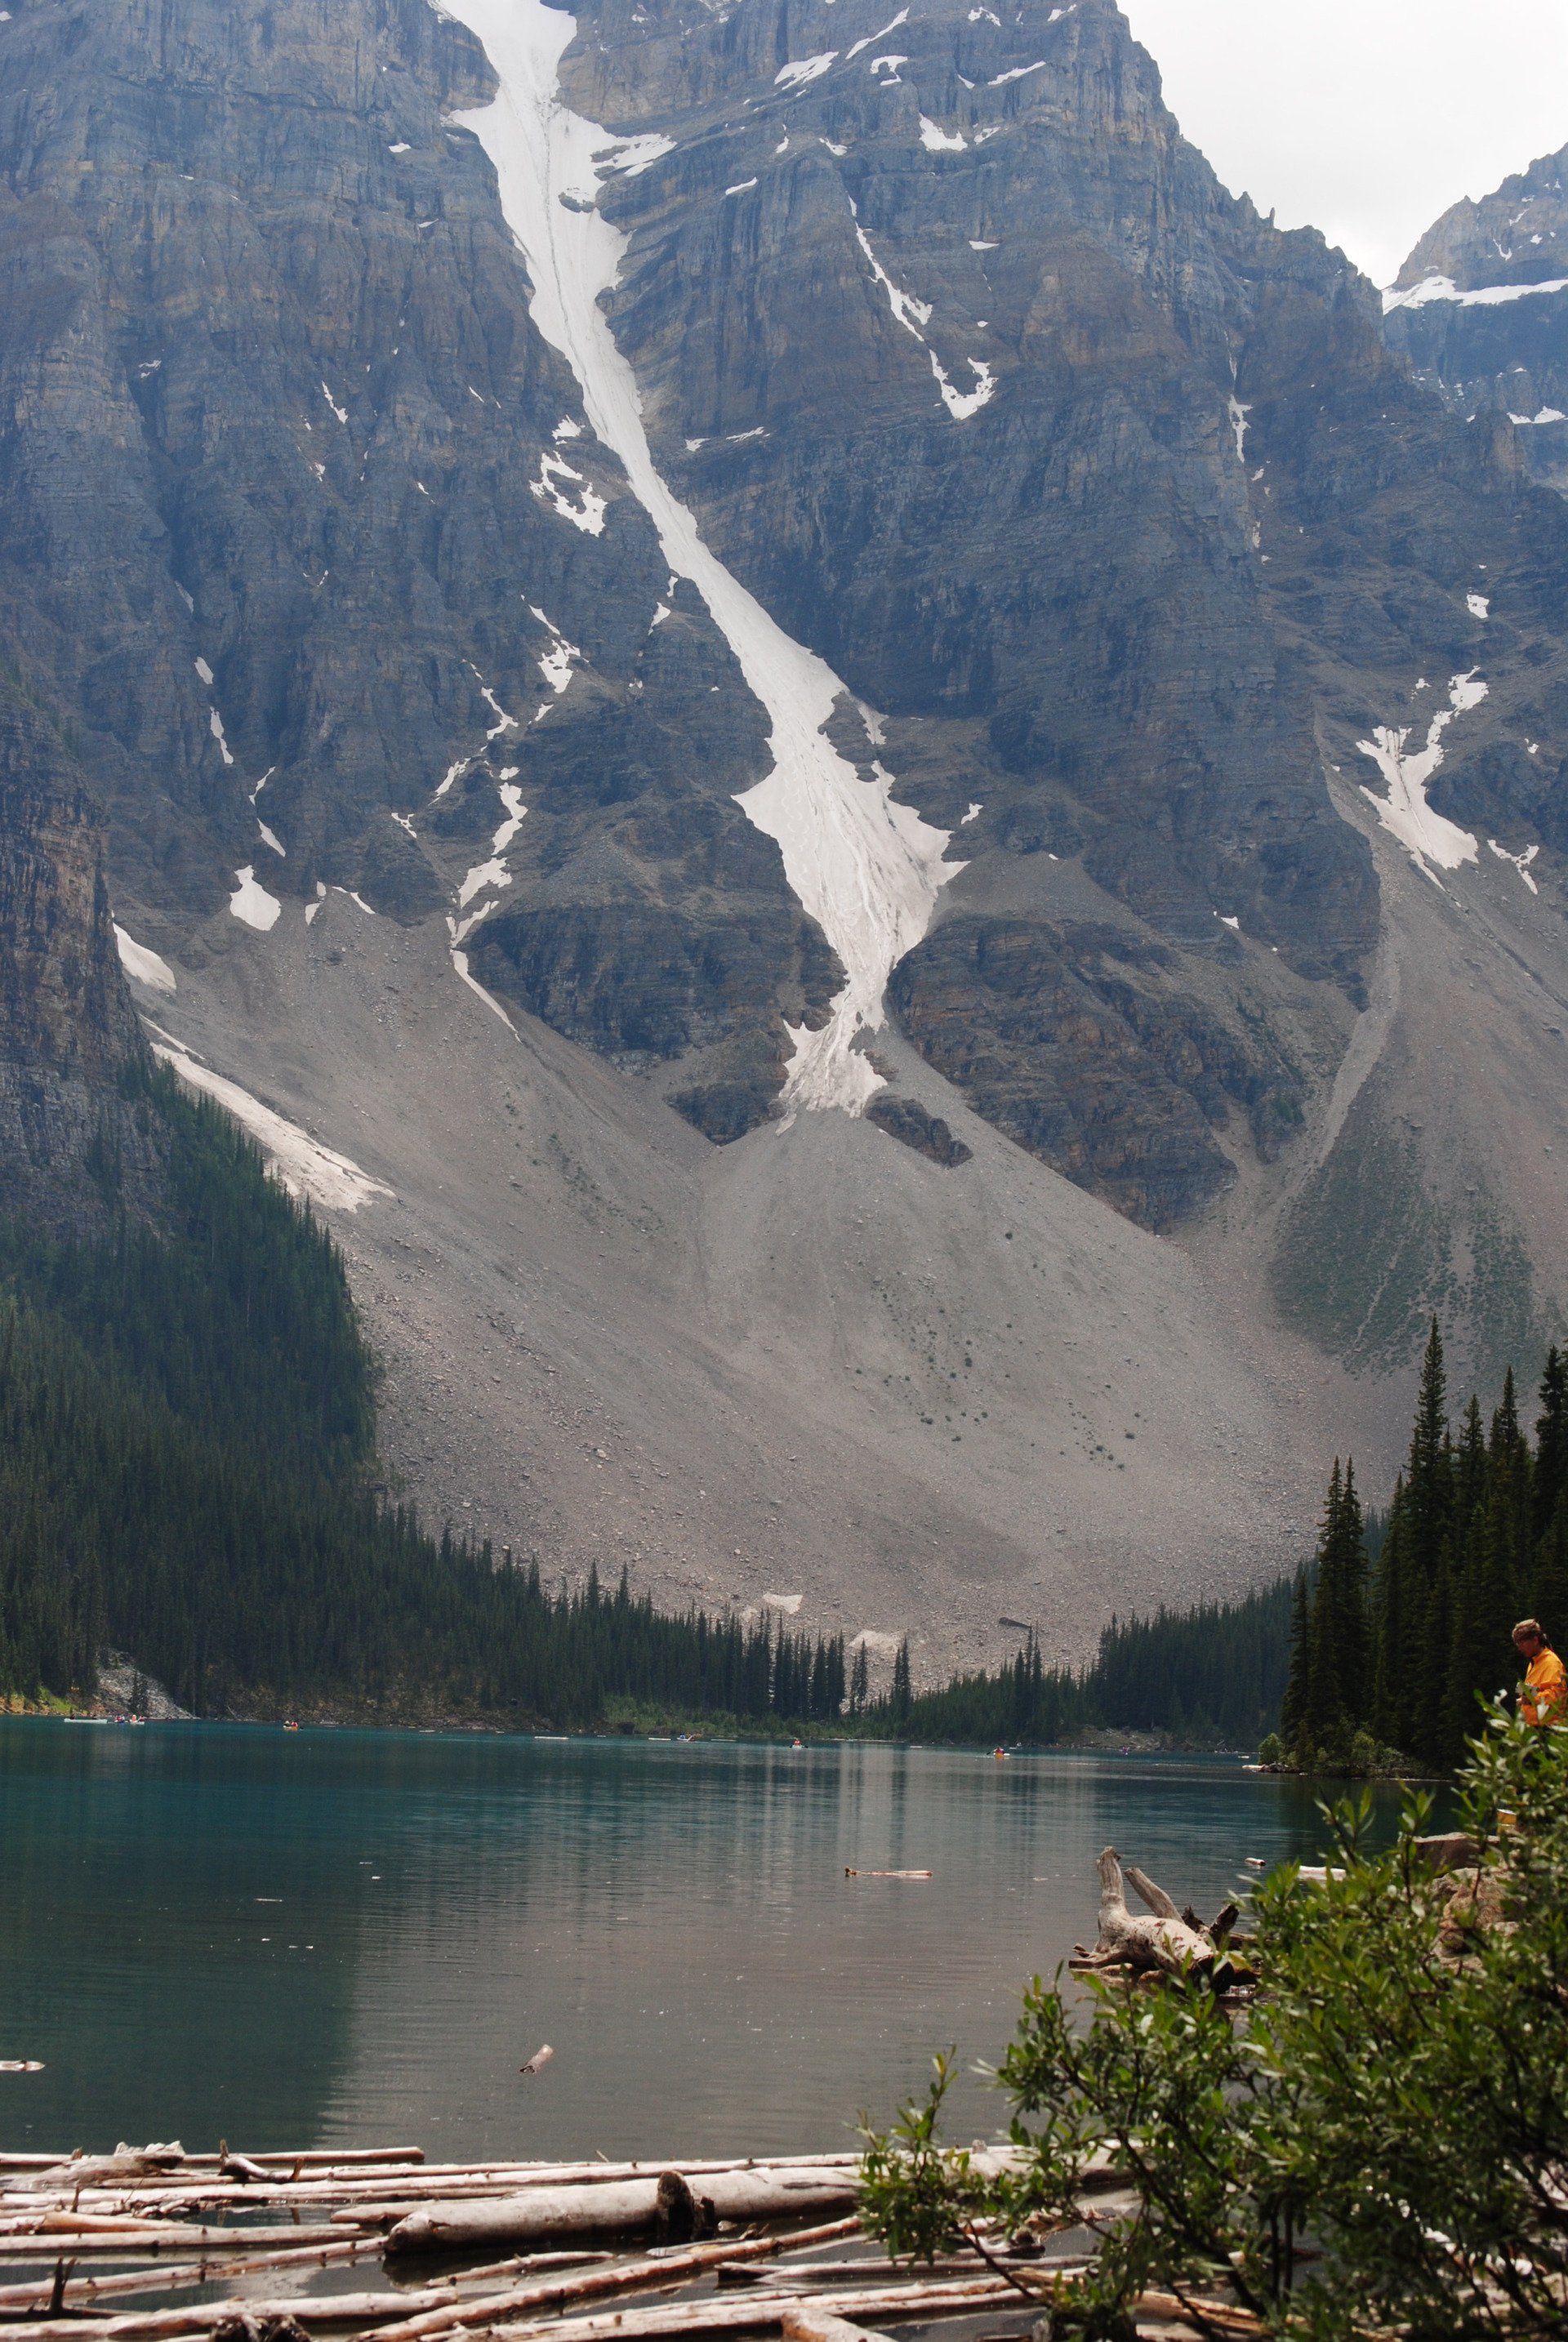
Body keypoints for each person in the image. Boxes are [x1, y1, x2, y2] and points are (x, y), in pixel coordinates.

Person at [1513, 1618, 1568, 1728]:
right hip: (1534, 1727)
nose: (1520, 1648)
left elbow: (1557, 1696)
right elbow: (1537, 1691)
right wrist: (1524, 1700)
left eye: (1522, 1642)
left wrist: (1530, 1699)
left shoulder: (1551, 1662)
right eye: (1517, 1644)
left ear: (1535, 1640)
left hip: (1549, 1727)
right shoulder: (1533, 1662)